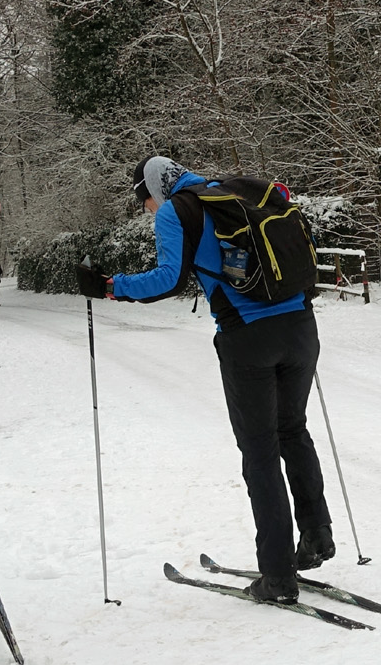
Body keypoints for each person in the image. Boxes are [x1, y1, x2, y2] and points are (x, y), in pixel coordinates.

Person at [76, 156, 333, 603]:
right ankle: (317, 537)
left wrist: (109, 286)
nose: (147, 210)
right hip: (301, 328)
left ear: (154, 189)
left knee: (259, 452)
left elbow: (167, 280)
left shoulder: (178, 210)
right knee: (292, 430)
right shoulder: (238, 192)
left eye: (144, 201)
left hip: (248, 339)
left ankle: (277, 578)